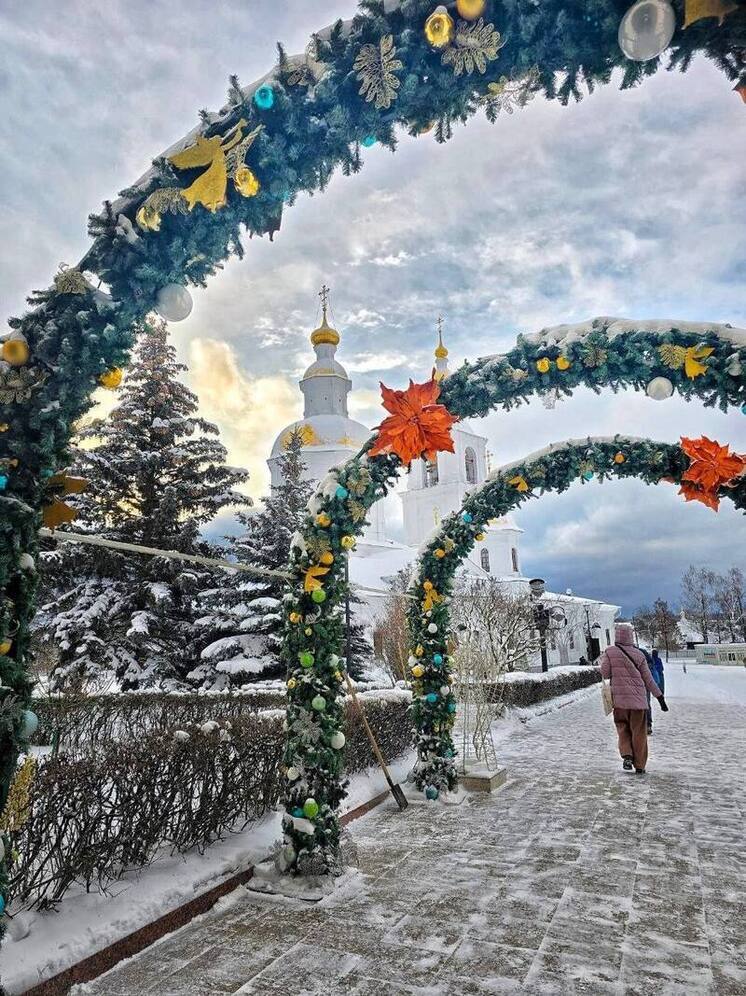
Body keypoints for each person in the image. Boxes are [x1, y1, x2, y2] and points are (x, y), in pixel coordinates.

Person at [598, 623, 668, 775]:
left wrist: (604, 659)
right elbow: (648, 679)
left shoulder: (610, 652)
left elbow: (606, 674)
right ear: (630, 636)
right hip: (638, 703)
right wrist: (660, 698)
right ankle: (640, 765)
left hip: (620, 702)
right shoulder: (639, 654)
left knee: (622, 728)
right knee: (639, 732)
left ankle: (627, 755)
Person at [647, 649, 665, 734]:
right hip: (655, 677)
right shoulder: (652, 660)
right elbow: (661, 668)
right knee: (646, 704)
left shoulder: (649, 660)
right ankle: (648, 724)